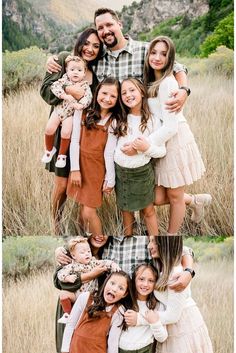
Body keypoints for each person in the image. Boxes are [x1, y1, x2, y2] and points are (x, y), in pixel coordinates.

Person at [139, 36, 211, 234]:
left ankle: (171, 236)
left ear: (170, 58)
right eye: (153, 53)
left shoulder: (169, 83)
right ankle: (195, 200)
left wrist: (146, 144)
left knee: (175, 195)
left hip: (175, 140)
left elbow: (170, 127)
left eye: (164, 54)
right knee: (156, 197)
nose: (157, 57)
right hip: (161, 142)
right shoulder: (152, 80)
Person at [40, 28, 103, 235]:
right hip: (63, 130)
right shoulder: (65, 60)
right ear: (80, 42)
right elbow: (46, 90)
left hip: (87, 135)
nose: (90, 49)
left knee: (82, 183)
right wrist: (68, 90)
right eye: (87, 43)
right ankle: (56, 225)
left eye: (96, 46)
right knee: (61, 184)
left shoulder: (100, 69)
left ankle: (78, 226)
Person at [67, 77, 125, 236]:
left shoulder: (113, 121)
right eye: (104, 93)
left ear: (118, 99)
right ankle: (82, 236)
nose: (107, 99)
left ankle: (98, 239)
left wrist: (110, 179)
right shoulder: (83, 111)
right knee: (80, 207)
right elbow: (74, 141)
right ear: (97, 91)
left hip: (96, 172)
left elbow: (109, 153)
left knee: (88, 212)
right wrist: (75, 169)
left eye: (113, 96)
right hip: (80, 166)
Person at [114, 78, 166, 236]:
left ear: (142, 92)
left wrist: (143, 149)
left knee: (148, 210)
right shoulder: (119, 117)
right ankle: (129, 237)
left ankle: (154, 239)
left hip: (141, 173)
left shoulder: (153, 120)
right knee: (126, 210)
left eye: (132, 90)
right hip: (121, 173)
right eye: (123, 93)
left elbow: (161, 151)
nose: (128, 95)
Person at [146, 236, 213, 353]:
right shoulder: (166, 269)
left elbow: (173, 316)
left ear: (166, 245)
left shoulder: (175, 274)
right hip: (175, 324)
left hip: (182, 326)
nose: (149, 246)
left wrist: (147, 317)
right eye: (149, 241)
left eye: (154, 242)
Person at [61, 271, 134, 353]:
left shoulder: (118, 311)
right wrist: (65, 350)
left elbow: (112, 343)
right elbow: (70, 324)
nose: (114, 289)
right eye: (112, 283)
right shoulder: (85, 298)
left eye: (121, 288)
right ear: (106, 282)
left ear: (125, 294)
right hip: (75, 349)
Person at [42, 55, 92, 168]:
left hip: (70, 113)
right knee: (49, 129)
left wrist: (80, 105)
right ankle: (49, 150)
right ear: (67, 71)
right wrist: (64, 95)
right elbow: (54, 86)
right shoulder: (64, 80)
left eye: (79, 70)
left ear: (84, 73)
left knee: (66, 132)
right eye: (72, 70)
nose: (75, 72)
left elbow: (88, 97)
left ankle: (61, 155)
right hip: (58, 109)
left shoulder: (85, 85)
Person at [56, 236, 119, 324]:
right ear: (74, 255)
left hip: (91, 297)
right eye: (82, 253)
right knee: (63, 294)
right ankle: (68, 315)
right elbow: (60, 274)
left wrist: (113, 265)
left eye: (89, 252)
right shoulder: (72, 265)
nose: (87, 254)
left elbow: (105, 262)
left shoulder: (93, 262)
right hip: (76, 295)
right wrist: (67, 278)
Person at [119, 263, 168, 353]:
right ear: (134, 280)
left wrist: (154, 322)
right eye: (141, 279)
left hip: (145, 349)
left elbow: (162, 337)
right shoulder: (125, 301)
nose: (145, 284)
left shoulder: (158, 305)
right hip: (121, 348)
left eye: (151, 280)